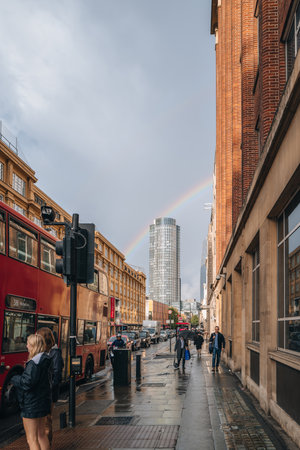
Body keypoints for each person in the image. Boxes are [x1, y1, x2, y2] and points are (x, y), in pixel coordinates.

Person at [11, 334, 51, 450]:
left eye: (28, 343)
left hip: (31, 404)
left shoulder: (34, 363)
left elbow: (26, 383)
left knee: (31, 439)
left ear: (33, 346)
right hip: (42, 401)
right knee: (41, 435)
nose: (26, 346)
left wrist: (14, 378)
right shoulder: (45, 359)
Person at [37, 327, 64, 446]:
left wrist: (48, 390)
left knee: (47, 422)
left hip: (49, 393)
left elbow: (57, 374)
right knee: (42, 424)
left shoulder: (55, 353)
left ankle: (48, 445)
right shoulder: (45, 352)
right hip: (44, 392)